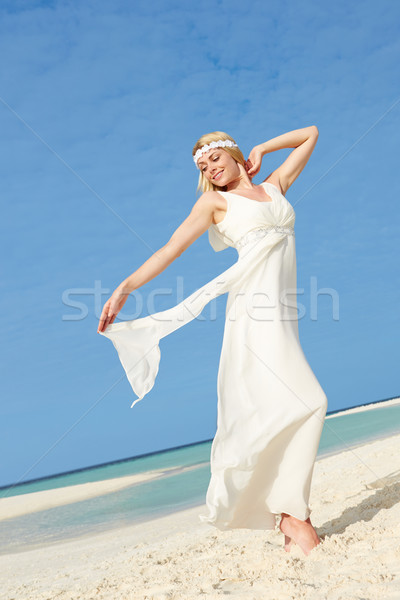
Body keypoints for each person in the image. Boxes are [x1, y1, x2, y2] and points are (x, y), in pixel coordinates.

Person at [97, 126, 328, 556]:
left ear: (235, 155)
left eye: (214, 160)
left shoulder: (276, 186)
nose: (210, 169)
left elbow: (311, 134)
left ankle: (293, 519)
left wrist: (262, 147)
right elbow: (170, 249)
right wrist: (124, 287)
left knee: (293, 405)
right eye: (203, 167)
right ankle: (294, 517)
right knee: (311, 399)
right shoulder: (213, 202)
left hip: (283, 315)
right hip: (252, 314)